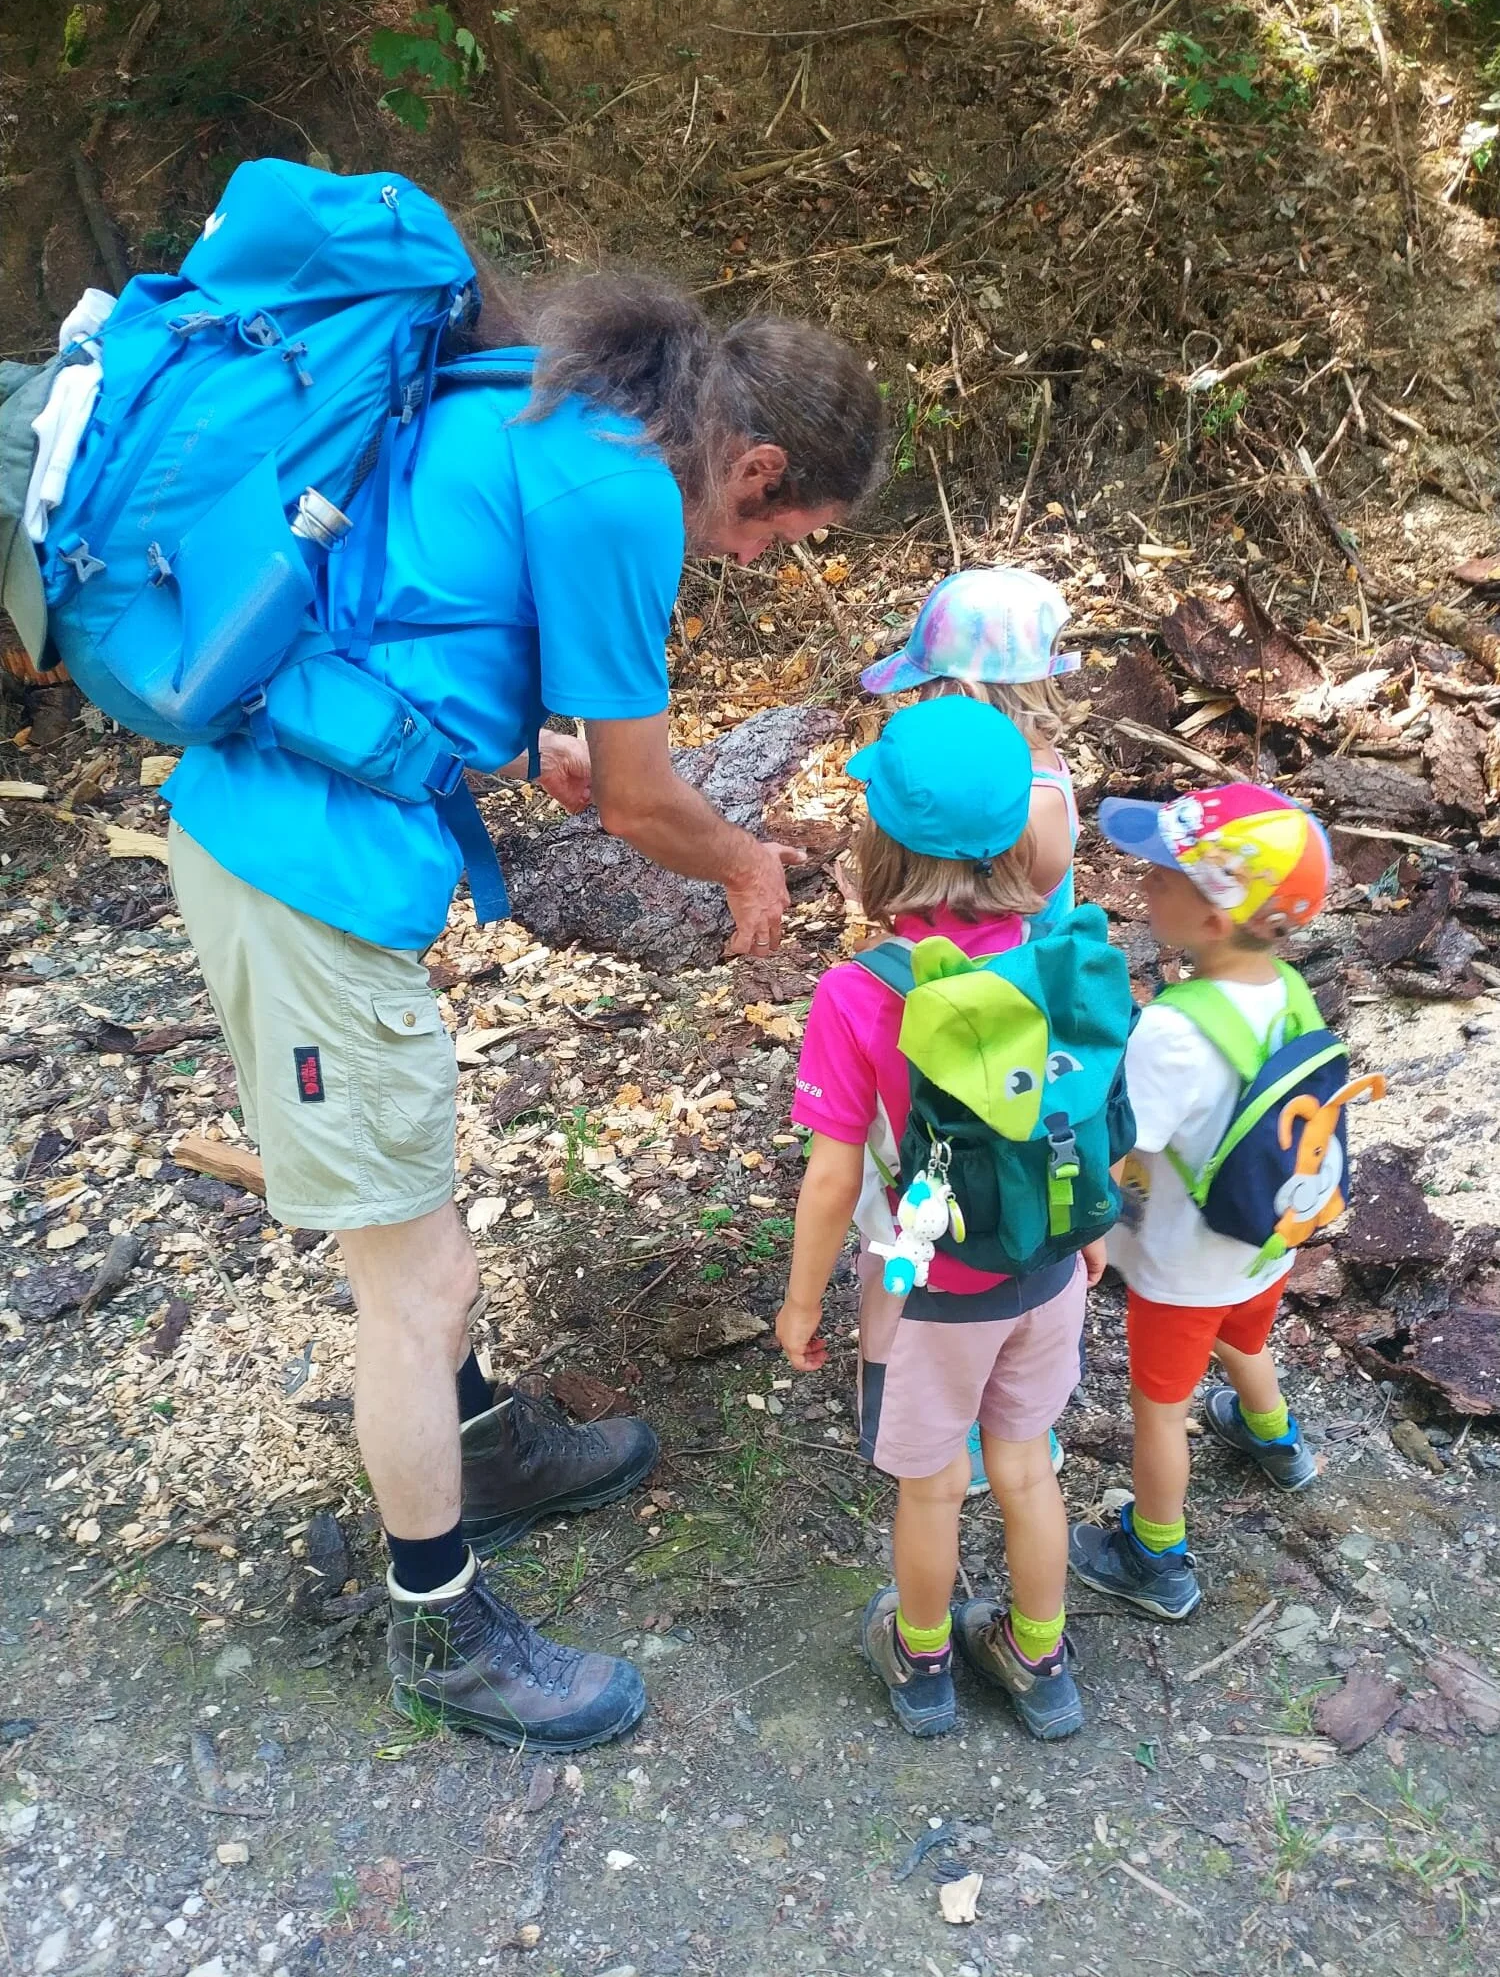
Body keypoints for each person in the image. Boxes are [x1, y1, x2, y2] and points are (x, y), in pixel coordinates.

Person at [163, 272, 884, 1751]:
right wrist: (745, 860)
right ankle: (440, 1622)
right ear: (755, 468)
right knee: (411, 1280)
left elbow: (423, 600)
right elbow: (643, 796)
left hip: (321, 837)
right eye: (773, 533)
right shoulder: (630, 493)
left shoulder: (553, 409)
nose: (750, 557)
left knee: (420, 1221)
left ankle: (481, 1447)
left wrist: (529, 742)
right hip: (295, 872)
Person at [776, 696, 1105, 1743]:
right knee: (1025, 1463)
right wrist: (1087, 1231)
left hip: (927, 1284)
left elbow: (832, 1180)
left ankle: (921, 1657)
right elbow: (1084, 1110)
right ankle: (1037, 1656)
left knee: (932, 1486)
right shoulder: (1054, 960)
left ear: (879, 847)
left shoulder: (860, 992)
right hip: (1045, 1272)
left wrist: (797, 1302)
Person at [1069, 786, 1331, 1622]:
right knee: (1244, 1336)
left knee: (1160, 1408)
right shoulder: (1289, 986)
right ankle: (1276, 1438)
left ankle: (1155, 1552)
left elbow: (1123, 1138)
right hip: (1267, 1239)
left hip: (1183, 1264)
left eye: (1165, 873)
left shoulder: (1175, 1030)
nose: (1144, 879)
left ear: (1215, 921)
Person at [860, 566, 1080, 1496]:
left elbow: (965, 910)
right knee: (1008, 1208)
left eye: (934, 689)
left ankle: (905, 1398)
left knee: (912, 1209)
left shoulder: (1012, 801)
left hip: (966, 1024)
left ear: (968, 690)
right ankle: (1010, 1421)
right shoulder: (1038, 779)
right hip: (1030, 1028)